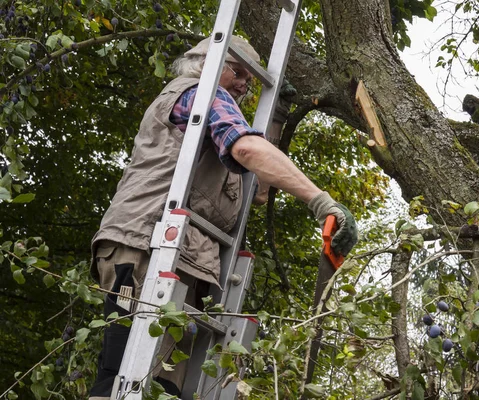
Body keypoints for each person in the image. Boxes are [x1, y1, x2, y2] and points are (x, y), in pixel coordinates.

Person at [89, 35, 358, 399]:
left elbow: (258, 191)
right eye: (239, 72)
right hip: (148, 244)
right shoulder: (198, 92)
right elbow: (246, 147)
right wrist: (321, 201)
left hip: (186, 255)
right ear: (208, 62)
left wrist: (275, 114)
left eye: (252, 78)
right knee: (127, 379)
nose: (246, 84)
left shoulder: (218, 124)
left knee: (164, 385)